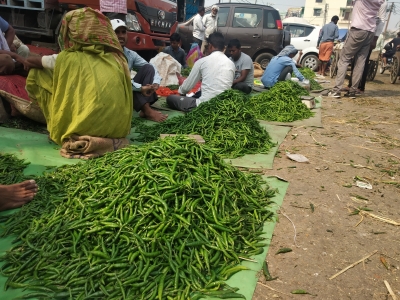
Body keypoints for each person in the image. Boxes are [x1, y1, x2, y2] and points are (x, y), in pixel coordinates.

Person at [24, 8, 133, 151]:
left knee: (37, 73)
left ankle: (60, 126)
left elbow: (34, 62)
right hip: (117, 130)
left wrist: (20, 60)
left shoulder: (67, 58)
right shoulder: (118, 59)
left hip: (83, 128)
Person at [112, 19, 167, 122]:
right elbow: (121, 80)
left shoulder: (130, 54)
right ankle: (148, 111)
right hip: (114, 92)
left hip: (127, 87)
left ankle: (144, 109)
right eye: (117, 32)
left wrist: (155, 82)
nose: (121, 36)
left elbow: (150, 66)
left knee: (148, 68)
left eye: (123, 32)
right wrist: (141, 88)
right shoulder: (107, 54)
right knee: (126, 83)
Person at [329, 0, 386, 98]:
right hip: (370, 32)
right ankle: (353, 91)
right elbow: (381, 18)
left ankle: (336, 90)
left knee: (344, 59)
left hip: (358, 29)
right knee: (360, 62)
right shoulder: (381, 1)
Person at [166, 32, 235, 112]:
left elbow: (186, 87)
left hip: (204, 106)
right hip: (224, 106)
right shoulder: (231, 64)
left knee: (170, 99)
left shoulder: (202, 62)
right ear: (223, 48)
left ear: (210, 46)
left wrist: (180, 93)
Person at [347, 0, 388, 95]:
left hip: (370, 33)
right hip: (360, 30)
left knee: (363, 62)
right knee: (354, 61)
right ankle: (351, 85)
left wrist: (375, 38)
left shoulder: (382, 2)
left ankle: (360, 87)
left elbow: (381, 21)